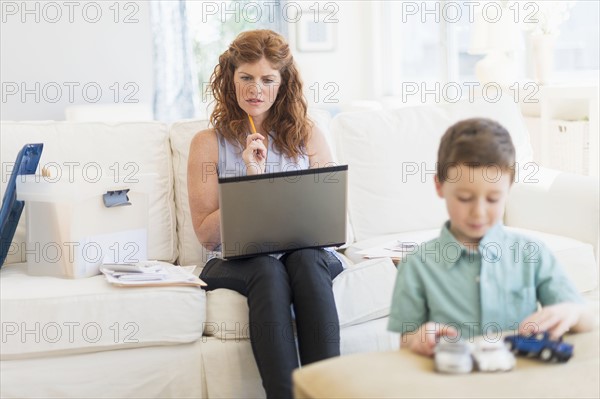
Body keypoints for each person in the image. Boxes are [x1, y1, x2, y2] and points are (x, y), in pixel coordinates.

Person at [187, 30, 345, 399]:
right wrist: (249, 179)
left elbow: (331, 219)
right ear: (231, 79)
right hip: (236, 260)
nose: (255, 88)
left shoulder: (308, 135)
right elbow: (207, 236)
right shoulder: (207, 144)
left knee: (304, 260)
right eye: (246, 77)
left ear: (282, 83)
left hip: (306, 253)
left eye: (267, 79)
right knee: (267, 268)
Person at [388, 118, 594, 357]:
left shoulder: (531, 253)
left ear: (510, 188)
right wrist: (420, 337)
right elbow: (405, 343)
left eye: (493, 199)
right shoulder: (416, 264)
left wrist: (573, 312)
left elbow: (587, 320)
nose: (479, 212)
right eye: (465, 198)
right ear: (440, 186)